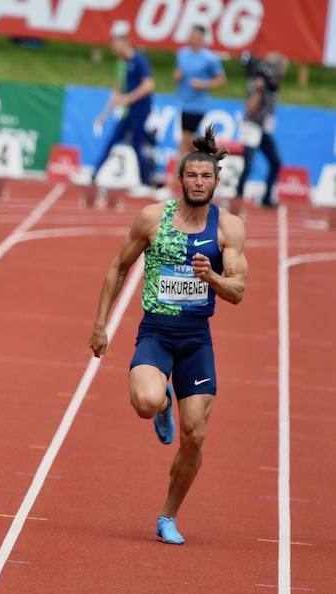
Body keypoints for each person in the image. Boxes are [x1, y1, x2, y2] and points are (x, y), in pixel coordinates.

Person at [89, 127, 248, 544]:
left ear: (216, 182)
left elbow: (238, 292)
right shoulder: (151, 218)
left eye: (206, 177)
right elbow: (117, 267)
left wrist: (210, 275)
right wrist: (100, 323)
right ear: (180, 180)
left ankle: (168, 516)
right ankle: (163, 405)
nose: (199, 183)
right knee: (144, 401)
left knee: (195, 434)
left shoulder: (228, 228)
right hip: (157, 331)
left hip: (196, 338)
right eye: (191, 176)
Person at [91, 23, 154, 189]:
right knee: (112, 140)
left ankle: (146, 182)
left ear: (124, 43)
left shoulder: (140, 60)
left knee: (137, 144)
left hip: (140, 110)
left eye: (115, 45)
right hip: (127, 112)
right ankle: (93, 176)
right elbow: (117, 92)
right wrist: (104, 115)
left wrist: (129, 98)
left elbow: (148, 85)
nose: (113, 49)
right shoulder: (120, 64)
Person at [235, 52, 287, 209]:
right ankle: (238, 196)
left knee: (276, 162)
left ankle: (266, 197)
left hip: (263, 129)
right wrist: (259, 90)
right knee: (248, 165)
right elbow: (250, 108)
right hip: (251, 126)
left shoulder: (273, 84)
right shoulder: (257, 82)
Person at [174, 25, 226, 158]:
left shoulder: (210, 59)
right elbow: (178, 74)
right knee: (186, 142)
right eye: (192, 36)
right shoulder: (182, 54)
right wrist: (177, 76)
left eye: (197, 37)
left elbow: (221, 81)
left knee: (186, 140)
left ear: (203, 39)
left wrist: (203, 84)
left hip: (198, 105)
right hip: (183, 102)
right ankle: (203, 160)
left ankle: (180, 174)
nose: (194, 40)